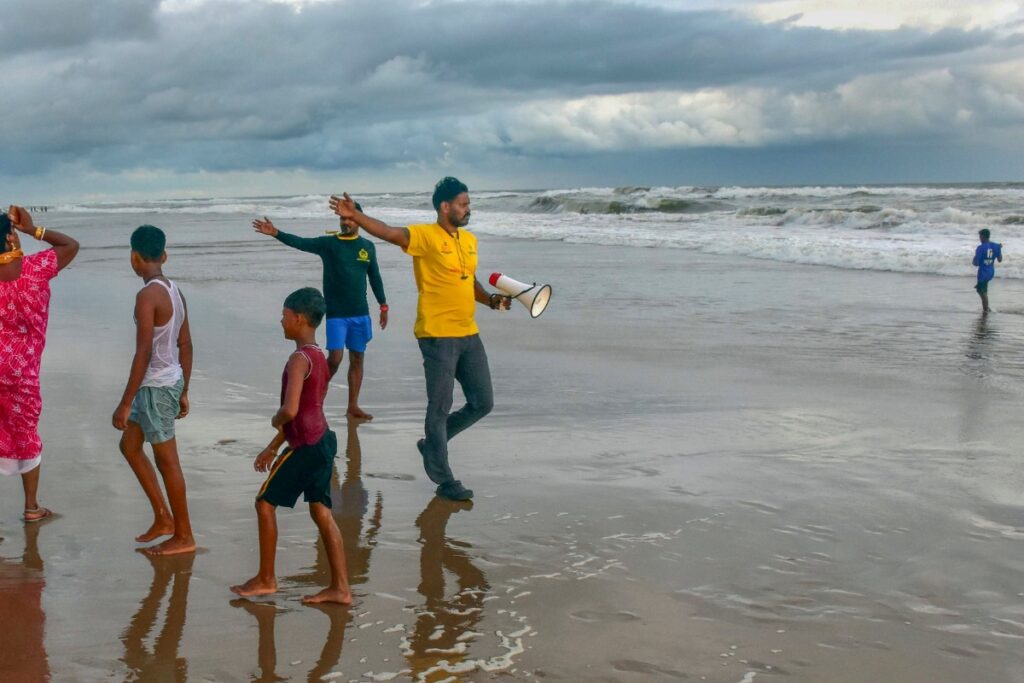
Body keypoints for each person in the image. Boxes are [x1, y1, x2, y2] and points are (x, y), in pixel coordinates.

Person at [329, 177, 511, 501]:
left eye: (468, 203)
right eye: (463, 203)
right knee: (439, 406)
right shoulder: (425, 237)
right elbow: (388, 232)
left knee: (483, 402)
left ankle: (431, 444)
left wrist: (490, 300)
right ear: (445, 207)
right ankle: (444, 478)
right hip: (437, 335)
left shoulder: (468, 240)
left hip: (469, 333)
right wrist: (356, 217)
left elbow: (468, 280)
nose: (468, 209)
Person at [231, 287, 351, 605]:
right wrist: (272, 447)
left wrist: (275, 419)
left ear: (298, 319)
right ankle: (341, 588)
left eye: (284, 316)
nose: (281, 322)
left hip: (306, 446)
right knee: (322, 511)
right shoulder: (319, 358)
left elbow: (291, 411)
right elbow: (309, 410)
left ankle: (267, 579)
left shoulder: (298, 359)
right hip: (323, 441)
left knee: (264, 503)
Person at [253, 205, 388, 421]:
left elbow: (375, 277)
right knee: (334, 359)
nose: (345, 223)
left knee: (357, 359)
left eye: (350, 219)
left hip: (360, 314)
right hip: (336, 315)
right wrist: (276, 233)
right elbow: (302, 243)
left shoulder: (367, 247)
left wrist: (383, 305)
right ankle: (315, 401)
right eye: (342, 219)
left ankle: (353, 406)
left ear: (359, 221)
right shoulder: (329, 244)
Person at [112, 225, 196, 556]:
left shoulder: (147, 296)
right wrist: (184, 388)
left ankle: (185, 535)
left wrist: (125, 401)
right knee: (130, 446)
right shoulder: (175, 290)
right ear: (163, 256)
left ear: (134, 258)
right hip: (169, 381)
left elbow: (143, 353)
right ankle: (163, 518)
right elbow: (185, 343)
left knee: (167, 462)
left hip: (155, 388)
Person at [0, 206, 79, 522]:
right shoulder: (35, 269)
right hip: (22, 373)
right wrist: (35, 230)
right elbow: (70, 246)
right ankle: (31, 506)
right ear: (10, 236)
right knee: (25, 433)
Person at [973, 229, 1003, 313]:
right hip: (991, 272)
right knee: (982, 288)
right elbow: (1000, 259)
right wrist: (999, 249)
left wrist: (975, 258)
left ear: (982, 236)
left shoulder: (980, 248)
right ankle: (986, 308)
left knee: (981, 291)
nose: (979, 238)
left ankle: (986, 309)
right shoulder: (996, 246)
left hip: (982, 273)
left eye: (980, 236)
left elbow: (976, 263)